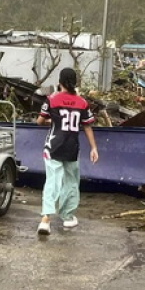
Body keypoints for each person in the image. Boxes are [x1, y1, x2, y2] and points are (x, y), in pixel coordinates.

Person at [36, 68, 99, 235]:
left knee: (53, 181)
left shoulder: (51, 100)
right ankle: (68, 217)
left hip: (53, 146)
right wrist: (94, 148)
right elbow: (87, 126)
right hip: (72, 147)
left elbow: (39, 121)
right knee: (71, 183)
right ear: (75, 82)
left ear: (60, 82)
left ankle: (45, 220)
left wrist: (53, 121)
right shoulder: (82, 102)